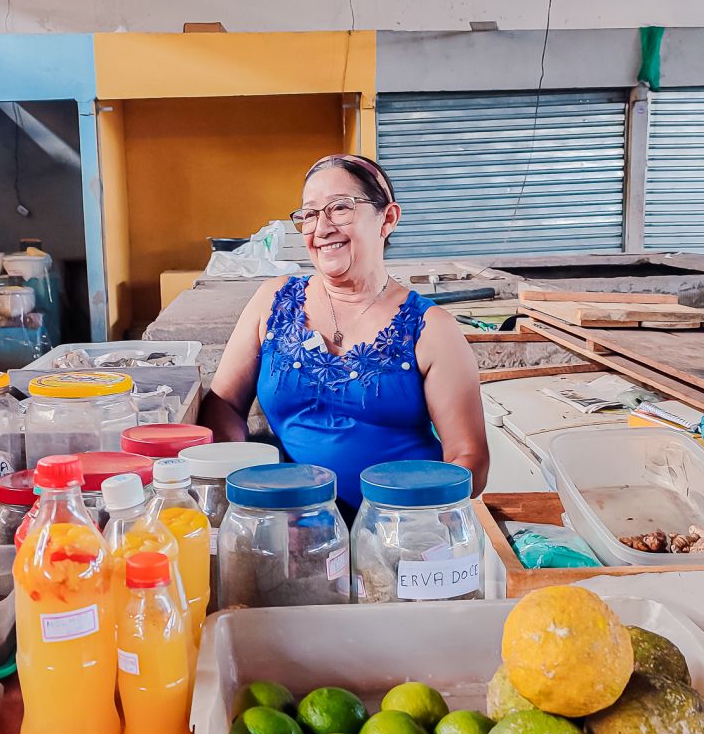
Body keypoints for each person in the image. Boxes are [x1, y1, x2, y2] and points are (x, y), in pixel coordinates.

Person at [200, 153, 489, 513]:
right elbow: (224, 404)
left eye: (340, 208)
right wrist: (245, 478)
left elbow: (470, 459)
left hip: (402, 527)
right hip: (291, 523)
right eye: (309, 214)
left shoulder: (431, 329)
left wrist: (406, 520)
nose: (321, 228)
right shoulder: (273, 301)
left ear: (387, 218)